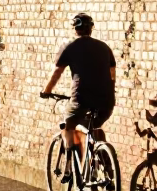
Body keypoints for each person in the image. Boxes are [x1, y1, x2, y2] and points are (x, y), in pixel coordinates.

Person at [41, 13, 116, 164]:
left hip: (81, 99)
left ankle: (68, 166)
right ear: (91, 29)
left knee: (68, 124)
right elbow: (112, 74)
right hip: (106, 101)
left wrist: (46, 91)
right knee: (94, 126)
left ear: (75, 29)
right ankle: (108, 168)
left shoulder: (70, 46)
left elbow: (57, 73)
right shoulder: (104, 47)